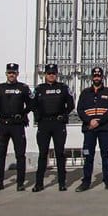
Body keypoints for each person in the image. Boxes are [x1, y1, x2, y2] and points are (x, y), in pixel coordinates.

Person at [32, 63, 74, 192]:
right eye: (49, 73)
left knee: (60, 153)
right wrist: (38, 116)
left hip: (58, 124)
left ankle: (62, 183)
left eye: (53, 73)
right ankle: (39, 183)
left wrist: (64, 115)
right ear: (45, 75)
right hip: (44, 124)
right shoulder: (39, 89)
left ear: (57, 74)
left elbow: (71, 105)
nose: (51, 76)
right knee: (43, 154)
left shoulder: (63, 88)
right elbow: (32, 105)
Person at [0, 62, 33, 191]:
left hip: (17, 125)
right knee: (0, 155)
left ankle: (20, 183)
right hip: (3, 125)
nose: (11, 75)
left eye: (13, 73)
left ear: (17, 74)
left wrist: (23, 114)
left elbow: (31, 104)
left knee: (20, 155)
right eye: (9, 73)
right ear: (6, 74)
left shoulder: (23, 88)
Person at [76, 67, 108, 191]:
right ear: (92, 77)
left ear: (102, 77)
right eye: (95, 76)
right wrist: (90, 121)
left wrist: (99, 121)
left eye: (99, 76)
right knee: (88, 155)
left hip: (104, 128)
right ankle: (86, 182)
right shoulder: (85, 92)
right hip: (89, 129)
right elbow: (80, 110)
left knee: (105, 155)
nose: (97, 78)